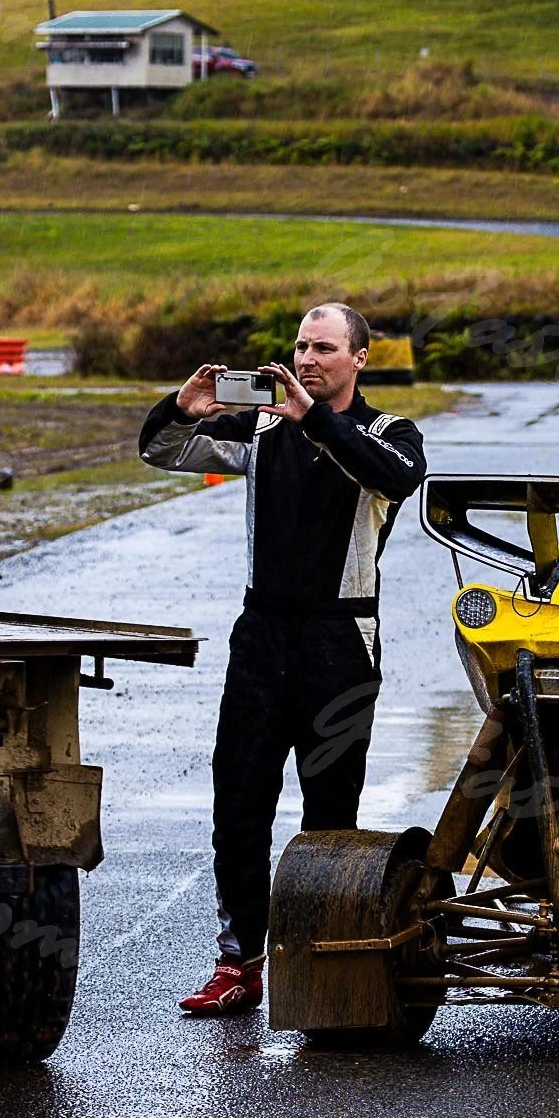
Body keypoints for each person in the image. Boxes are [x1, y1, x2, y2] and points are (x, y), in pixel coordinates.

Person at [139, 304, 427, 1016]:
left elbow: (393, 479)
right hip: (262, 636)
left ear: (359, 358)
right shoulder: (259, 428)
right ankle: (240, 962)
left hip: (340, 643)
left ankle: (323, 963)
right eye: (300, 346)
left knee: (330, 814)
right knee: (238, 805)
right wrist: (180, 407)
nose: (306, 358)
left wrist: (313, 419)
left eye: (324, 348)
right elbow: (160, 450)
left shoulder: (390, 432)